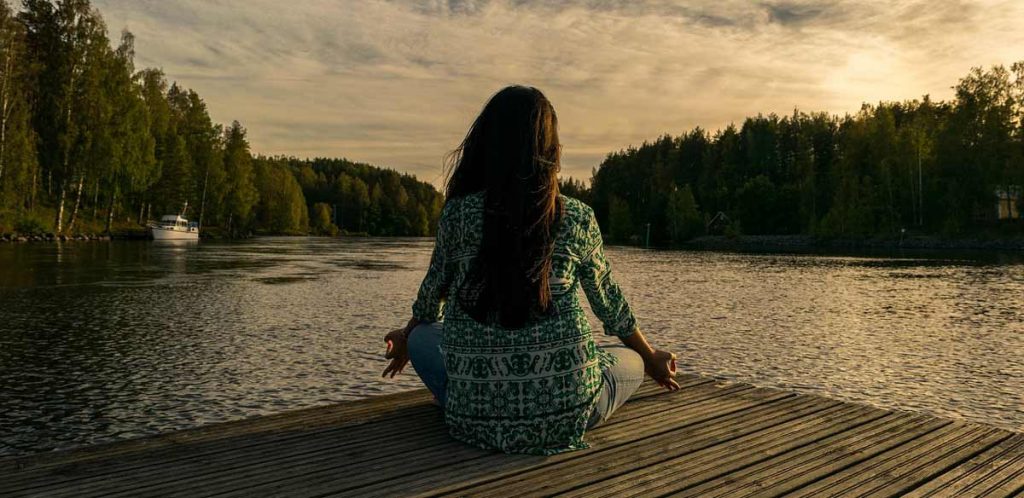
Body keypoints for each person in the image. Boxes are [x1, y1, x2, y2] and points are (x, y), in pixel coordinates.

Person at [382, 85, 678, 455]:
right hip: (568, 415)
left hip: (473, 421)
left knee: (425, 336)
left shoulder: (457, 215)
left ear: (487, 144)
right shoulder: (577, 217)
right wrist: (652, 358)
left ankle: (474, 399)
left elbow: (430, 300)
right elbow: (610, 306)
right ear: (550, 150)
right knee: (630, 359)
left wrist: (407, 335)